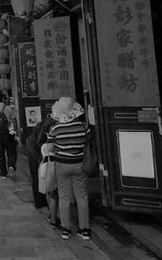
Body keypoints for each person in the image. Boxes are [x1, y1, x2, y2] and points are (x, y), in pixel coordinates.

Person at [46, 97, 91, 241]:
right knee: (82, 196)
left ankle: (66, 229)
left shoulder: (55, 128)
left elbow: (49, 148)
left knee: (64, 196)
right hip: (80, 164)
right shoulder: (83, 126)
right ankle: (84, 229)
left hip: (62, 165)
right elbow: (88, 142)